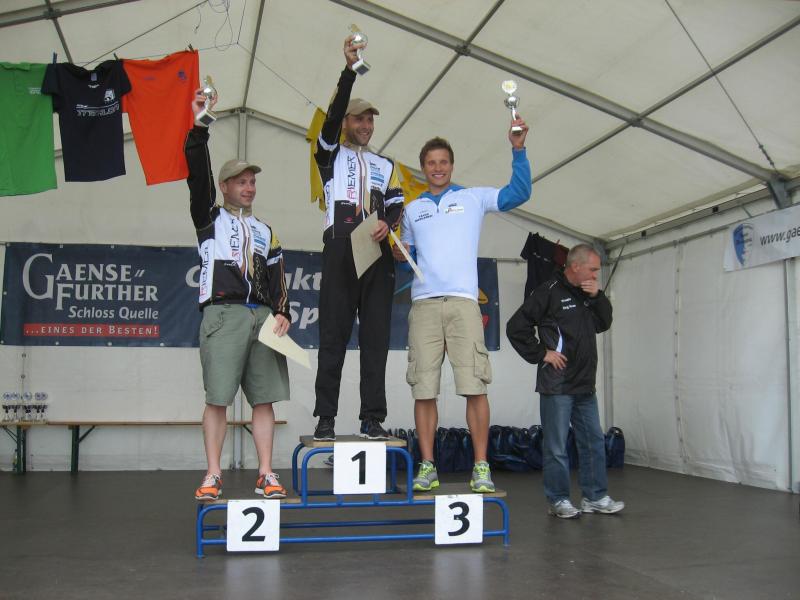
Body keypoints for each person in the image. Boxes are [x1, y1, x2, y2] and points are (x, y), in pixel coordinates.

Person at [393, 116, 531, 493]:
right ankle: (427, 466)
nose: (437, 168)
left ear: (452, 165)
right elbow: (406, 260)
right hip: (423, 305)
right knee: (423, 388)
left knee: (475, 386)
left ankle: (481, 466)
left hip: (464, 303)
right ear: (423, 168)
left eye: (443, 162)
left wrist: (518, 150)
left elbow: (518, 193)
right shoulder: (411, 210)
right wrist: (398, 254)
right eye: (431, 163)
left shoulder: (472, 197)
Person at [185, 88, 291, 501]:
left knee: (264, 399)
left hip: (261, 317)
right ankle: (213, 474)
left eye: (252, 182)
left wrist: (282, 312)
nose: (249, 188)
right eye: (241, 182)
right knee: (218, 398)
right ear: (224, 185)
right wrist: (199, 129)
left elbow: (278, 278)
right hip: (223, 314)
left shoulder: (266, 230)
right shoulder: (209, 220)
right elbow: (196, 177)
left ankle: (266, 473)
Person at [312, 35, 404, 441]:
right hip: (340, 245)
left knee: (375, 338)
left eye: (370, 121)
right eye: (358, 120)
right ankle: (326, 418)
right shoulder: (329, 154)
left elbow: (397, 204)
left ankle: (372, 418)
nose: (365, 126)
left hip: (376, 251)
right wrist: (349, 72)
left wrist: (389, 225)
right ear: (346, 123)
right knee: (333, 334)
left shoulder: (387, 165)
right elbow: (330, 119)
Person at [506, 244, 624, 518]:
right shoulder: (548, 292)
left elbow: (603, 323)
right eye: (592, 269)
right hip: (557, 384)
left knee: (593, 442)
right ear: (575, 266)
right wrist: (541, 353)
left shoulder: (588, 294)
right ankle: (558, 500)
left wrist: (598, 297)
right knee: (557, 447)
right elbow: (516, 327)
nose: (595, 275)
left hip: (585, 384)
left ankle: (595, 497)